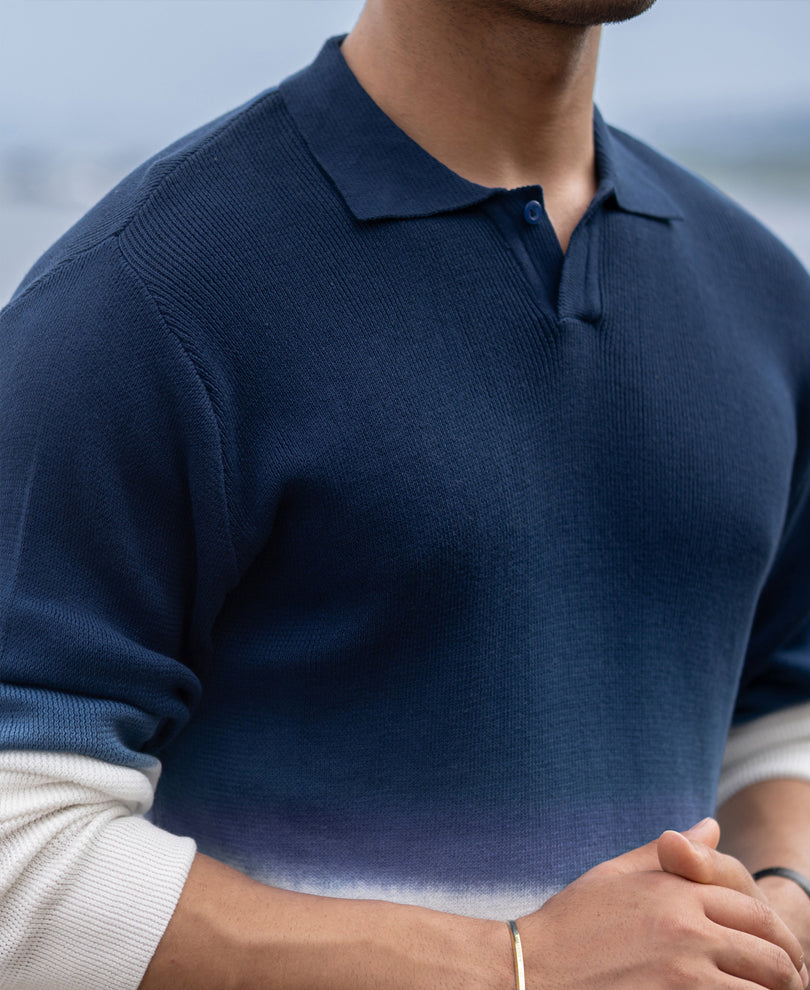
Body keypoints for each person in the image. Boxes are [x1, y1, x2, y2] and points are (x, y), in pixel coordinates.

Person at [2, 0, 810, 987]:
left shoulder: (763, 301)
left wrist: (781, 902)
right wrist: (514, 967)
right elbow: (18, 834)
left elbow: (779, 710)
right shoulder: (146, 295)